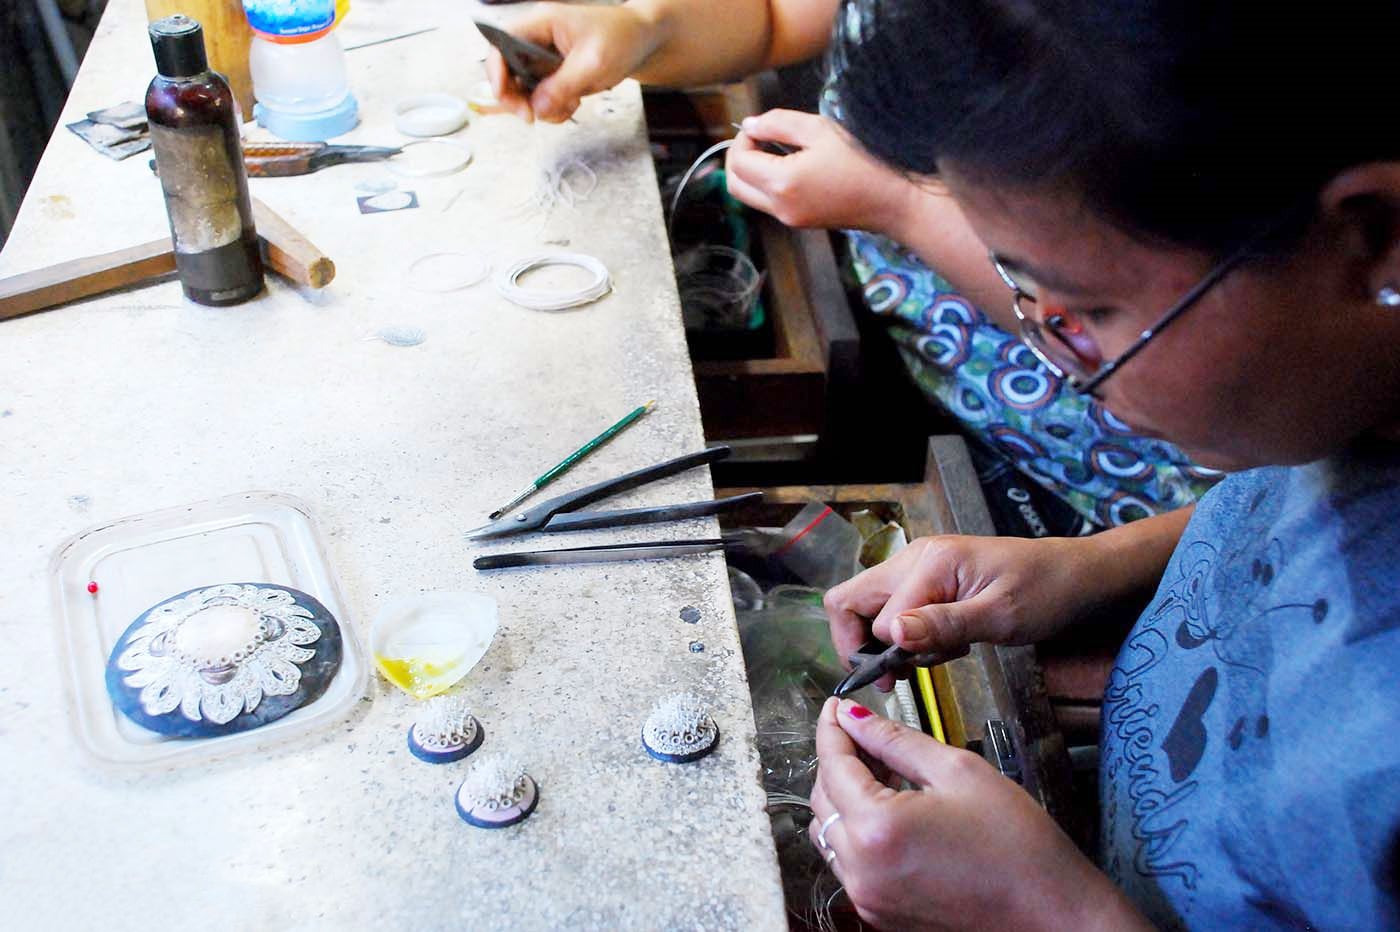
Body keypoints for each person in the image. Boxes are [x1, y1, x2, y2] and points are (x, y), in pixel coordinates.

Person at [805, 0, 1400, 927]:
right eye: (1023, 292)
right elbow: (1291, 512)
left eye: (1089, 315)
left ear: (1372, 233)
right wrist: (1095, 566)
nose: (1060, 366)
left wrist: (1046, 910)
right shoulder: (1338, 396)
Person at [487, 0, 1219, 534]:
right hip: (927, 374)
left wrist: (899, 204)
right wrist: (641, 28)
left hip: (1118, 473)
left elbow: (1098, 298)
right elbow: (775, 18)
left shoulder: (1131, 55)